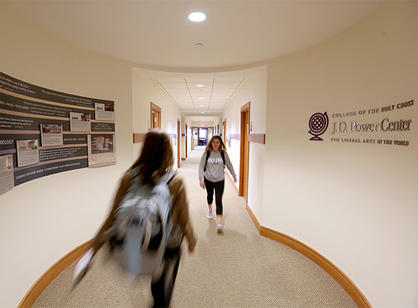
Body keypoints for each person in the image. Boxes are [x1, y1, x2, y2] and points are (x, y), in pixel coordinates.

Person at [90, 130, 197, 308]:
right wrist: (192, 239)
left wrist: (94, 247)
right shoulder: (175, 181)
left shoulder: (128, 178)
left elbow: (113, 216)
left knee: (149, 267)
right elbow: (184, 219)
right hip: (168, 244)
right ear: (168, 151)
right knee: (162, 288)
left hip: (135, 240)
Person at [199, 135, 237, 233]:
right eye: (213, 142)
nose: (215, 144)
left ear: (220, 144)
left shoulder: (223, 154)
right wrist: (201, 179)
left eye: (217, 142)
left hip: (220, 180)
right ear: (211, 143)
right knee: (210, 196)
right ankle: (210, 210)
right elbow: (201, 166)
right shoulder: (206, 154)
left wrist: (234, 175)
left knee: (219, 199)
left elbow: (229, 164)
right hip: (208, 179)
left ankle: (219, 223)